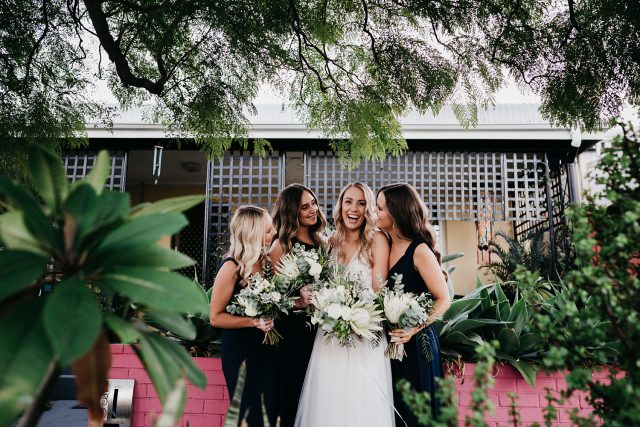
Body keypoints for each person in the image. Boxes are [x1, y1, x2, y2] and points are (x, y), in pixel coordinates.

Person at [295, 182, 395, 427]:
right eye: (349, 202)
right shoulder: (329, 244)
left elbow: (379, 289)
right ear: (340, 206)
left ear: (368, 209)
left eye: (362, 203)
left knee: (363, 401)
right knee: (328, 400)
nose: (354, 209)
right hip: (330, 336)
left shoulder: (378, 240)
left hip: (365, 331)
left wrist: (354, 315)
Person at [376, 183, 451, 426]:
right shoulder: (385, 243)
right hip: (392, 345)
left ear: (396, 212)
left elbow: (443, 299)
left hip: (418, 345)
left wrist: (413, 328)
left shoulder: (419, 250)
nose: (375, 213)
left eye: (380, 208)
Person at [210, 206, 277, 426]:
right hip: (241, 352)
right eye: (268, 230)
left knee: (267, 411)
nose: (274, 233)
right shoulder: (231, 267)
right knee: (247, 413)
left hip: (266, 350)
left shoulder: (265, 263)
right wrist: (253, 322)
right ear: (253, 233)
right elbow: (216, 317)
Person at [269, 183, 328, 427]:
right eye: (304, 207)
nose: (313, 209)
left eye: (313, 202)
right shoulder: (281, 246)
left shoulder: (323, 243)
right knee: (293, 394)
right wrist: (298, 303)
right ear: (292, 212)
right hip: (292, 333)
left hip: (322, 329)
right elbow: (273, 298)